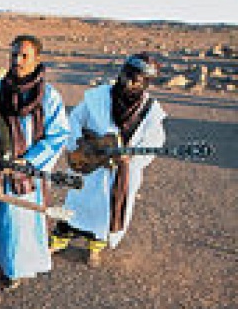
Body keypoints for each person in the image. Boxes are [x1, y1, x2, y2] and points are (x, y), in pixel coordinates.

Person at [51, 53, 166, 267]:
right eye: (127, 75)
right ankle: (59, 239)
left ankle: (94, 248)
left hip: (119, 172)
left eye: (137, 79)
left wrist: (131, 158)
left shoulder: (151, 112)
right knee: (76, 202)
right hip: (89, 164)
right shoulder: (98, 97)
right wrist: (79, 144)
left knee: (105, 211)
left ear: (146, 83)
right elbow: (76, 118)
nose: (128, 82)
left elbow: (154, 143)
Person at [0, 35, 70, 288]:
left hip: (25, 173)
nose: (17, 60)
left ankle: (14, 268)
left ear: (37, 59)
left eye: (24, 56)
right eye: (14, 54)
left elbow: (58, 134)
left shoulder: (48, 96)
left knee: (18, 222)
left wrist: (26, 163)